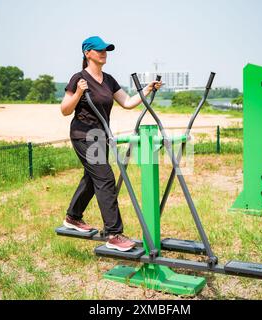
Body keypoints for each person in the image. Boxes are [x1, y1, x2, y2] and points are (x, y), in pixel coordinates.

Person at [60, 36, 162, 252]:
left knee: (92, 178)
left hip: (101, 137)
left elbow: (127, 102)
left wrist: (147, 89)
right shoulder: (78, 78)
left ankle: (72, 216)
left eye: (106, 49)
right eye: (99, 50)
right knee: (105, 177)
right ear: (88, 53)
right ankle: (114, 234)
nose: (104, 53)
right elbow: (65, 109)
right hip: (83, 135)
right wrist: (79, 92)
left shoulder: (109, 80)